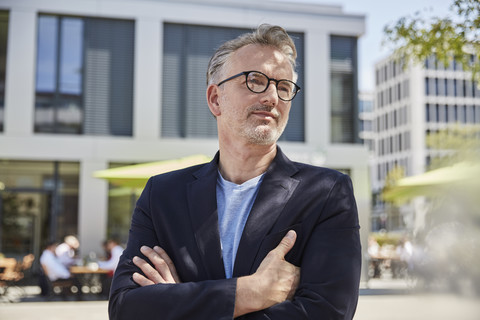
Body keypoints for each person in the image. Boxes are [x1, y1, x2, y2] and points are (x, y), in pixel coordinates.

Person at [109, 24, 361, 319]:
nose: (272, 97)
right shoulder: (162, 195)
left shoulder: (327, 193)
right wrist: (251, 292)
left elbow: (328, 313)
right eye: (255, 80)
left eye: (283, 87)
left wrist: (179, 303)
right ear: (215, 99)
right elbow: (126, 308)